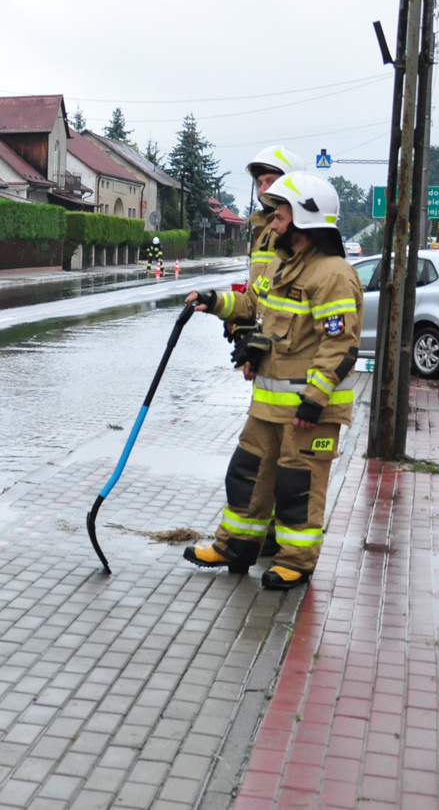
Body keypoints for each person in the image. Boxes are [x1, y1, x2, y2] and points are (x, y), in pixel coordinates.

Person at [181, 172, 363, 590]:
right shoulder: (284, 265)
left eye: (281, 216)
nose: (274, 224)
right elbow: (253, 306)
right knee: (247, 472)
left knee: (297, 486)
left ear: (303, 220)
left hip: (307, 409)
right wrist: (214, 302)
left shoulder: (331, 274)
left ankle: (296, 561)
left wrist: (315, 400)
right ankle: (235, 547)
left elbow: (339, 345)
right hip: (269, 403)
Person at [232, 146, 306, 556]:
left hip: (293, 365)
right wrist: (247, 340)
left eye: (270, 181)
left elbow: (293, 305)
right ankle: (258, 534)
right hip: (268, 360)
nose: (263, 189)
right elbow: (258, 296)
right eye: (259, 182)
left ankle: (282, 537)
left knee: (288, 461)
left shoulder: (296, 233)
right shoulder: (263, 230)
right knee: (261, 454)